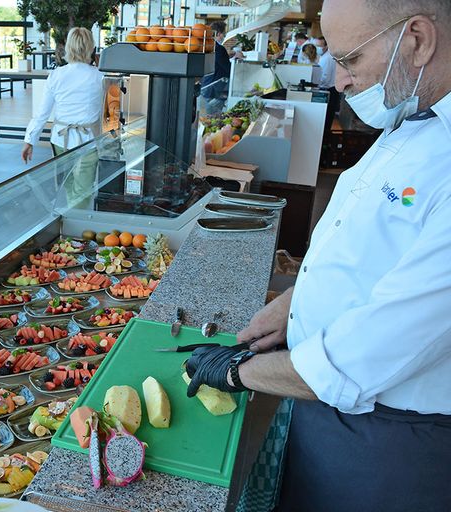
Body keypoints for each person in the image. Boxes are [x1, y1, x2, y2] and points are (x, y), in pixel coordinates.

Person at [185, 1, 451, 510]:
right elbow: (367, 247)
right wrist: (296, 306)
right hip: (326, 404)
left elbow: (368, 355)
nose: (337, 81)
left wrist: (236, 371)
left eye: (349, 60)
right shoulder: (412, 119)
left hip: (389, 444)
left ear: (417, 38)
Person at [22, 27, 104, 208]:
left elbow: (41, 113)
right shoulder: (100, 76)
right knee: (83, 191)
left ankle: (71, 229)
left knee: (67, 187)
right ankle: (77, 230)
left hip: (60, 139)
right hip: (88, 139)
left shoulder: (56, 75)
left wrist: (30, 140)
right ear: (91, 47)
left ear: (68, 47)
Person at [200, 21, 232, 114]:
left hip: (206, 86)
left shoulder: (206, 46)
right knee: (213, 119)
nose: (224, 37)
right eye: (223, 34)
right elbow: (228, 69)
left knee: (206, 118)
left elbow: (216, 61)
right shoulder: (219, 48)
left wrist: (229, 55)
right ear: (218, 33)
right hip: (216, 91)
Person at [316, 36, 340, 132]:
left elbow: (325, 78)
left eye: (319, 46)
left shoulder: (327, 58)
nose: (317, 48)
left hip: (329, 90)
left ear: (326, 46)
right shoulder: (325, 56)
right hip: (330, 89)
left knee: (326, 120)